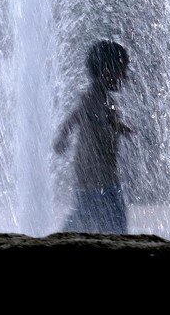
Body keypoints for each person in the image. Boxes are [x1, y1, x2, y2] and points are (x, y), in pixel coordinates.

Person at [54, 39, 134, 234]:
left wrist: (121, 128)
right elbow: (73, 118)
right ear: (107, 72)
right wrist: (62, 136)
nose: (125, 76)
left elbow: (107, 122)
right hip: (98, 182)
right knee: (113, 225)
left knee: (87, 217)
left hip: (100, 179)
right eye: (122, 71)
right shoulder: (91, 99)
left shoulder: (106, 101)